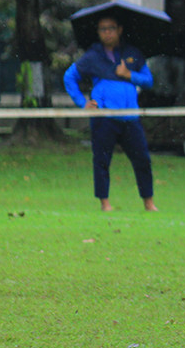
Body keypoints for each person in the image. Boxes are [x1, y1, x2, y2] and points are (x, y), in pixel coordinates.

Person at [64, 14, 157, 212]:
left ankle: (149, 202)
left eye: (111, 28)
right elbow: (69, 77)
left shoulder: (133, 53)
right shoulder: (92, 56)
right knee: (102, 161)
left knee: (142, 160)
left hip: (130, 118)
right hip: (104, 119)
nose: (107, 33)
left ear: (119, 29)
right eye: (102, 29)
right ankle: (104, 203)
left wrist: (129, 75)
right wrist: (83, 103)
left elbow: (148, 81)